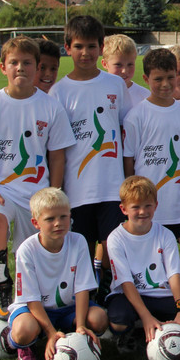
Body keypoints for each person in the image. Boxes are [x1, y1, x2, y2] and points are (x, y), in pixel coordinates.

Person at [0, 37, 74, 320]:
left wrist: (54, 192)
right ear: (3, 67)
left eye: (27, 63)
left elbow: (57, 156)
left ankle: (31, 298)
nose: (20, 68)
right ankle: (1, 285)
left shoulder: (50, 106)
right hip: (0, 189)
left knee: (32, 251)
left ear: (37, 67)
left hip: (36, 193)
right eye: (14, 62)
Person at [49, 15, 130, 281]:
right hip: (77, 188)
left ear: (101, 47)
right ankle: (84, 294)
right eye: (79, 46)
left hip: (111, 185)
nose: (85, 53)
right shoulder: (59, 92)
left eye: (91, 46)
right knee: (80, 250)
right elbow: (56, 148)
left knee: (112, 248)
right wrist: (57, 188)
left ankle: (107, 291)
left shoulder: (115, 84)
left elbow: (125, 130)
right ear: (67, 47)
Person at [104, 176, 180, 352]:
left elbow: (173, 276)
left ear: (156, 205)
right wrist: (145, 316)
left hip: (161, 294)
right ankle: (133, 333)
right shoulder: (116, 238)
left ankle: (163, 326)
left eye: (148, 206)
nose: (142, 211)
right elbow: (126, 283)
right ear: (124, 209)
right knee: (119, 320)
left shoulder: (165, 234)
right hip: (128, 295)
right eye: (135, 207)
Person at [6, 187, 108, 360]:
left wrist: (81, 327)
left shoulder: (78, 241)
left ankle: (71, 333)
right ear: (35, 222)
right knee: (24, 330)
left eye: (63, 217)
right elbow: (31, 299)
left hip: (68, 308)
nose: (58, 223)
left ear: (70, 216)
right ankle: (22, 345)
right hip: (34, 309)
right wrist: (50, 332)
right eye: (50, 219)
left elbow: (82, 288)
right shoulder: (27, 250)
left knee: (99, 319)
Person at [122, 48, 180, 257]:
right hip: (149, 206)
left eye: (170, 77)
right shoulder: (136, 116)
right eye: (158, 79)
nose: (165, 84)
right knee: (152, 259)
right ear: (146, 79)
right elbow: (129, 161)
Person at [102, 34, 148, 109]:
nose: (124, 71)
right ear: (105, 64)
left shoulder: (145, 96)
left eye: (130, 64)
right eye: (118, 65)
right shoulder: (97, 92)